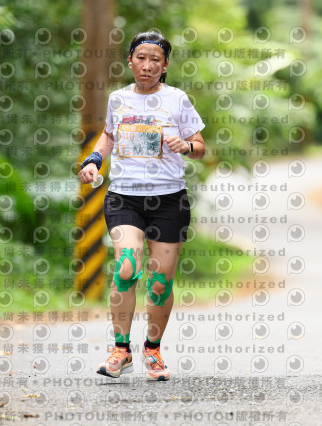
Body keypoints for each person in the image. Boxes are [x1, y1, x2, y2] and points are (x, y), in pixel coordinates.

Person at [77, 31, 206, 381]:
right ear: (130, 61)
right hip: (125, 197)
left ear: (165, 66)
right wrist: (93, 161)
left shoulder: (177, 99)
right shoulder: (119, 99)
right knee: (126, 267)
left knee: (160, 282)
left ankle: (153, 350)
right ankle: (121, 350)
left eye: (155, 60)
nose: (147, 66)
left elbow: (200, 146)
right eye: (141, 58)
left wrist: (185, 146)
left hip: (169, 199)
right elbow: (109, 135)